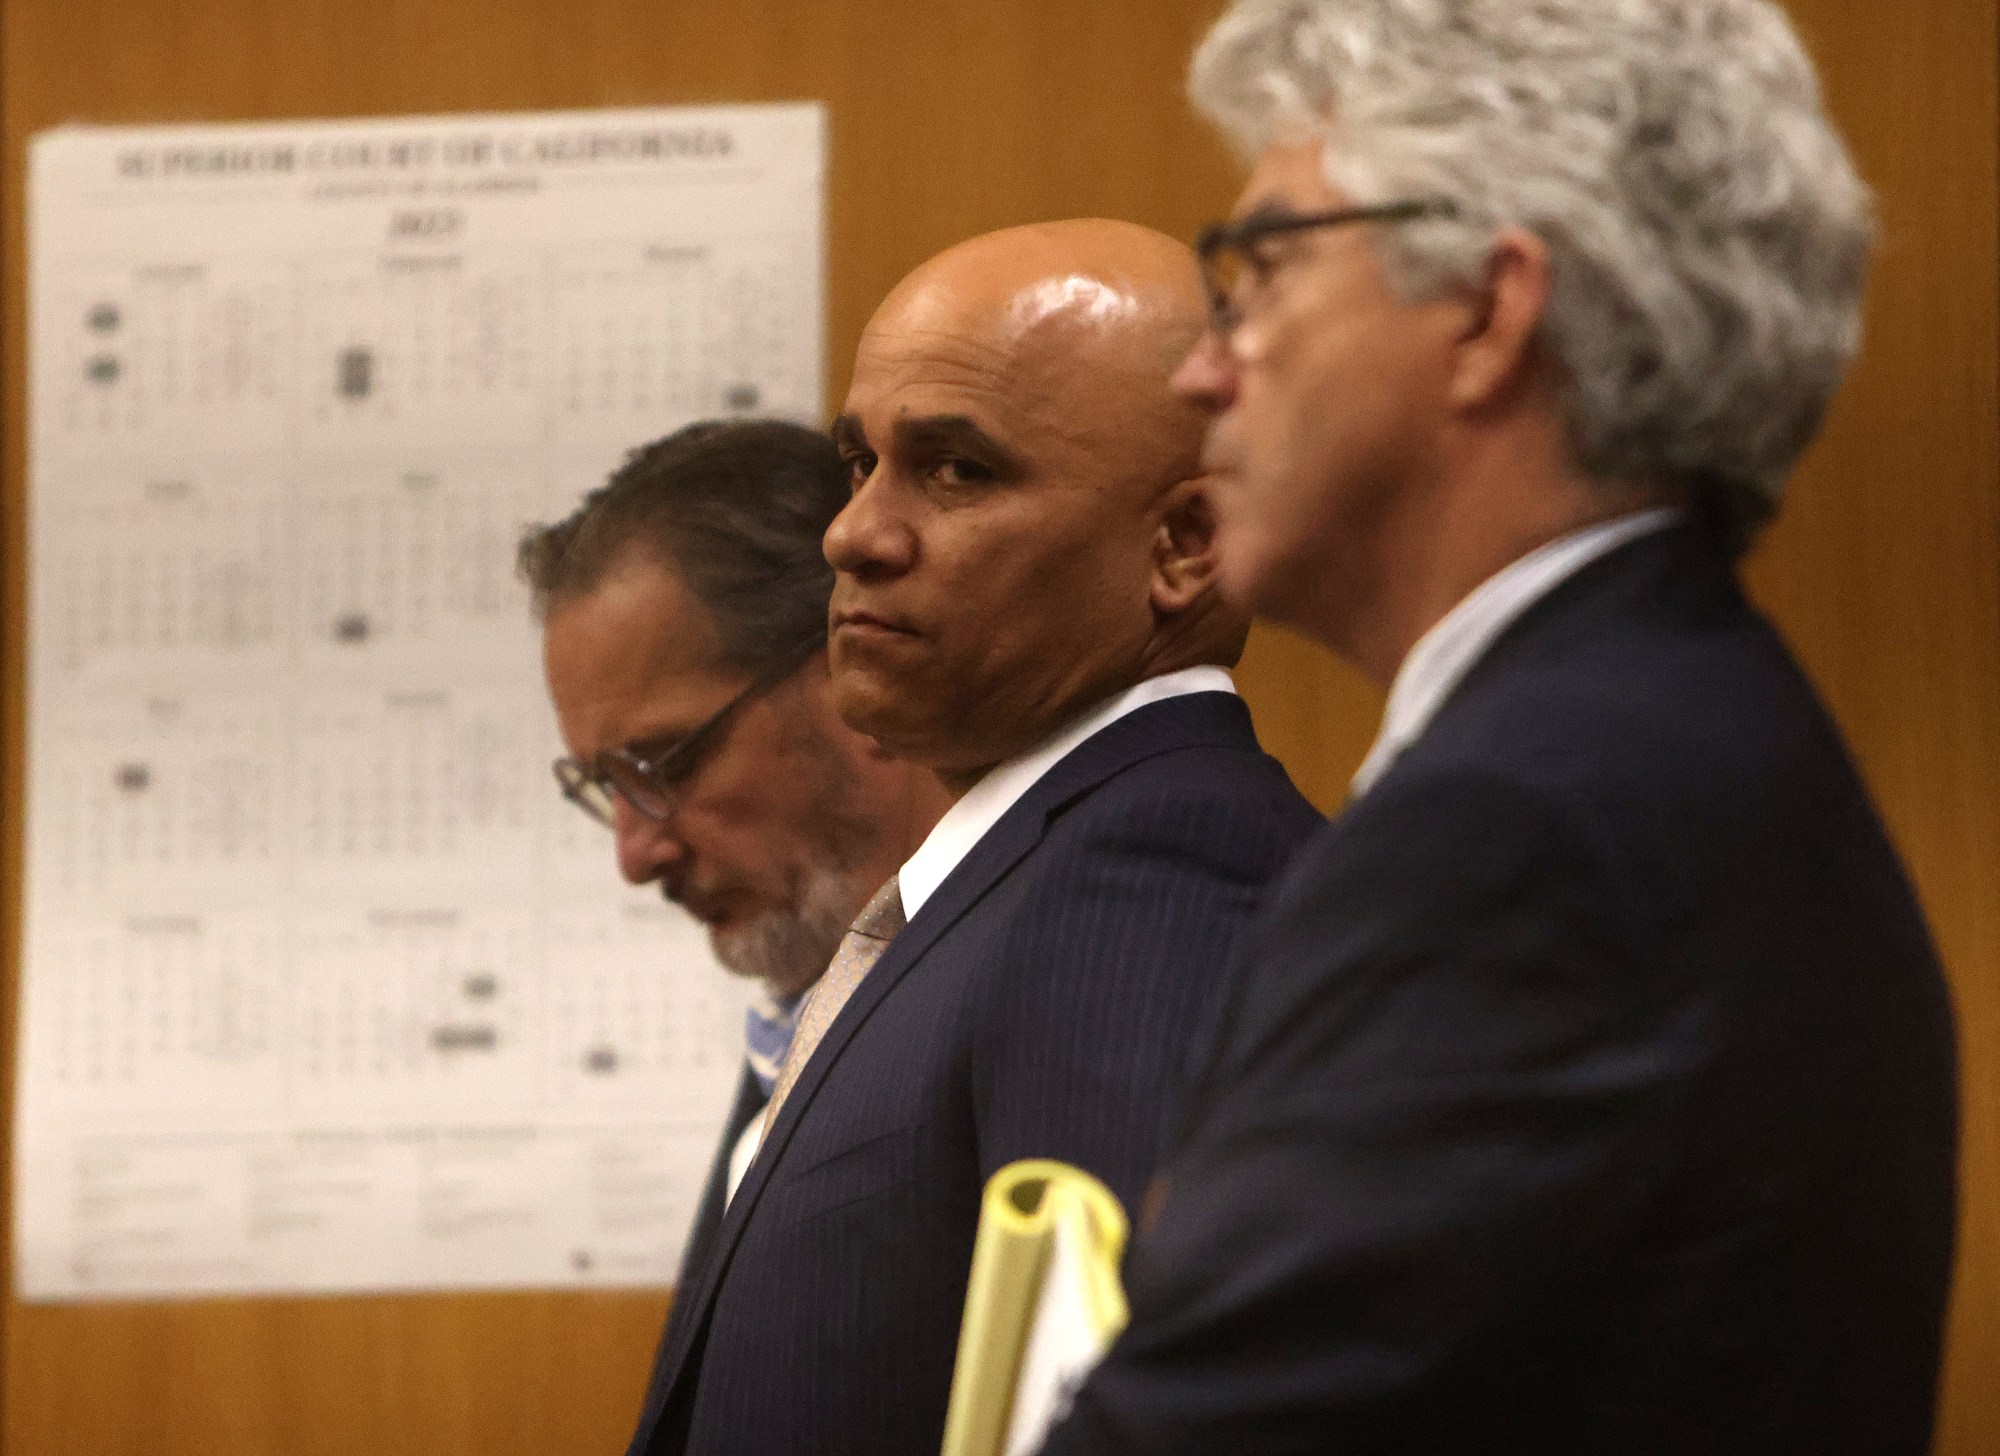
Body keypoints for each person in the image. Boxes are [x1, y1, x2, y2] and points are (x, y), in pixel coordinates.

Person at [1038, 3, 1960, 1454]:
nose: (1201, 371)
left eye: (1262, 271)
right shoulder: (1679, 742)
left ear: (1488, 309)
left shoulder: (1530, 834)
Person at [632, 220, 1323, 1456]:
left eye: (955, 470)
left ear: (1186, 544)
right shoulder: (1005, 881)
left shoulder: (1151, 871)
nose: (854, 534)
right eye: (860, 462)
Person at [517, 419, 951, 1394]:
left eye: (662, 763)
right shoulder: (803, 1021)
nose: (635, 853)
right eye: (602, 785)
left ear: (856, 665)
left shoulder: (1011, 1003)